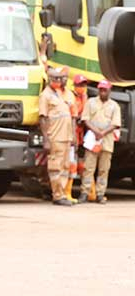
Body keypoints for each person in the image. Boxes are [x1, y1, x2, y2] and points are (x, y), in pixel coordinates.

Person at [79, 80, 121, 204]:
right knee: (88, 168)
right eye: (101, 90)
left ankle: (100, 194)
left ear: (109, 91)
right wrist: (96, 132)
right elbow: (85, 119)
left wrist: (102, 133)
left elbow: (115, 124)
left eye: (105, 90)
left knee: (104, 169)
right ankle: (84, 193)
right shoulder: (91, 102)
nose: (102, 92)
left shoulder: (114, 106)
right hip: (93, 139)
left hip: (107, 141)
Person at [38, 66, 75, 206]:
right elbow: (43, 118)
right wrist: (46, 139)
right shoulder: (45, 95)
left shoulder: (60, 93)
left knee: (65, 166)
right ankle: (57, 195)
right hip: (55, 136)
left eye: (60, 78)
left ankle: (63, 193)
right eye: (56, 78)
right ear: (49, 79)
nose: (59, 80)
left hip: (66, 136)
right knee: (56, 167)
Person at [69, 74, 89, 203]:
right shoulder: (71, 97)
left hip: (82, 135)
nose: (82, 87)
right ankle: (67, 191)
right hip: (72, 134)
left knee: (83, 165)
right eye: (80, 85)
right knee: (71, 164)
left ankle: (87, 192)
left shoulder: (85, 97)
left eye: (83, 85)